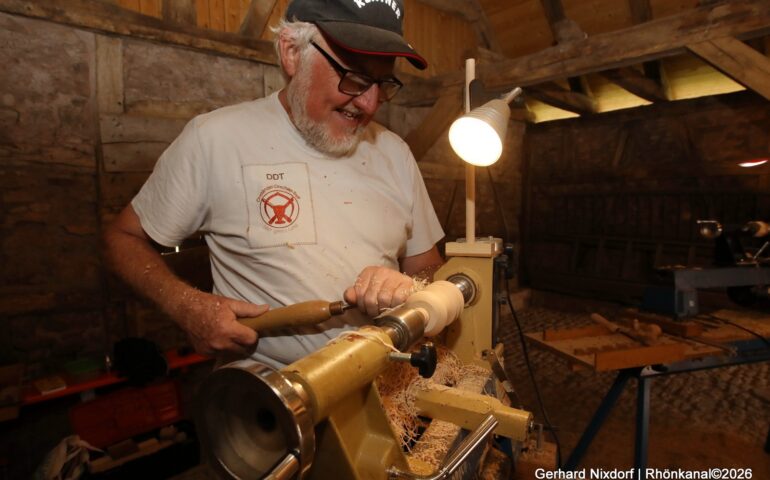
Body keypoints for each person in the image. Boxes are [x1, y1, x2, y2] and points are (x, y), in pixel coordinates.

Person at [102, 0, 444, 369]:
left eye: (383, 83)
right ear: (292, 53)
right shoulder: (216, 139)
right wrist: (186, 306)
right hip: (266, 392)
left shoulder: (395, 154)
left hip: (381, 384)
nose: (370, 103)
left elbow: (429, 269)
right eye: (356, 78)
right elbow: (122, 238)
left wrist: (407, 286)